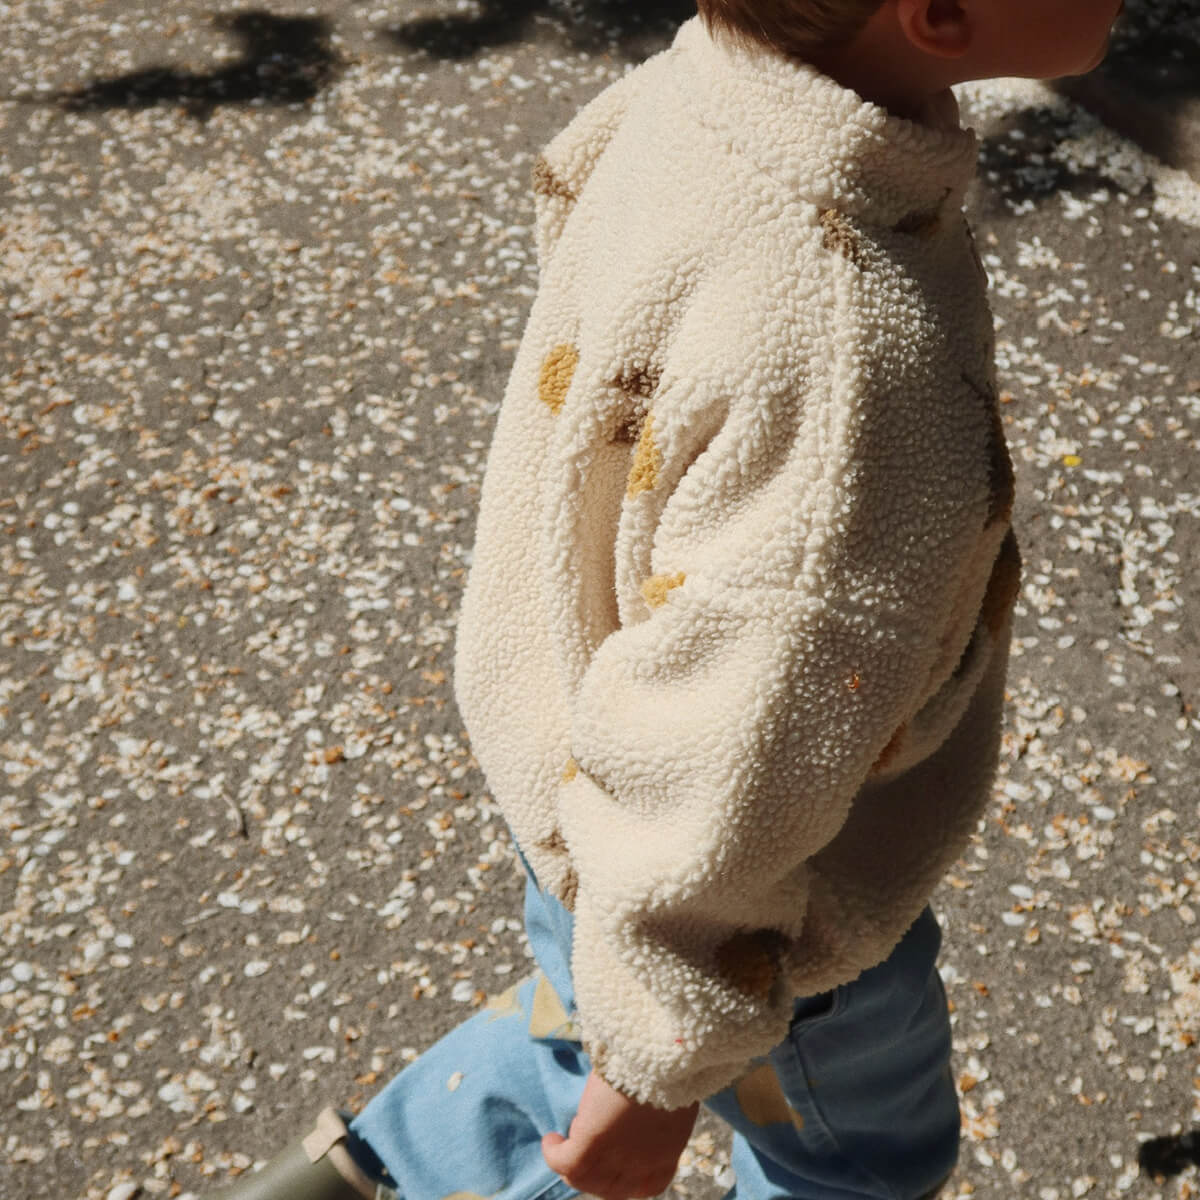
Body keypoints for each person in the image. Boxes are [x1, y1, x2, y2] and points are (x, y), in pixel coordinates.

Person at [206, 0, 1125, 1197]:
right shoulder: (852, 368)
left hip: (588, 795)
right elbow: (741, 756)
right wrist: (657, 1071)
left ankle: (384, 1174)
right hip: (762, 924)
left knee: (583, 1010)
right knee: (857, 1162)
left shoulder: (693, 94)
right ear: (939, 15)